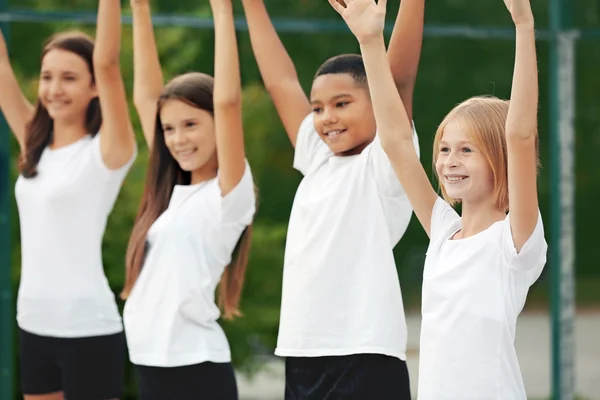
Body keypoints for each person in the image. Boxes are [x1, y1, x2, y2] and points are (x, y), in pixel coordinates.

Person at [329, 0, 547, 398]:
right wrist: (370, 42)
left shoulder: (515, 241)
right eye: (444, 149)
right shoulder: (444, 232)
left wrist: (523, 24)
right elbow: (395, 141)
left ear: (499, 158)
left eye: (467, 150)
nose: (449, 161)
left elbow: (520, 136)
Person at [241, 0, 423, 398]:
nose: (326, 117)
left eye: (342, 103)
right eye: (318, 108)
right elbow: (280, 82)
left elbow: (401, 78)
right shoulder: (317, 157)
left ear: (379, 103)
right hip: (303, 353)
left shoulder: (386, 162)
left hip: (364, 354)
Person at [0, 0, 137, 399]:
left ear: (94, 87)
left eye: (69, 78)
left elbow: (108, 63)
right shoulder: (34, 142)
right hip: (33, 322)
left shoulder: (108, 151)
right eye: (46, 77)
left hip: (88, 330)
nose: (54, 89)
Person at [123, 0, 257, 398]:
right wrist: (140, 9)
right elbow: (146, 97)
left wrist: (221, 12)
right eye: (169, 128)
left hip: (194, 371)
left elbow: (229, 101)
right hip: (151, 364)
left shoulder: (228, 195)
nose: (178, 139)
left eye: (191, 124)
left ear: (219, 124)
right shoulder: (173, 194)